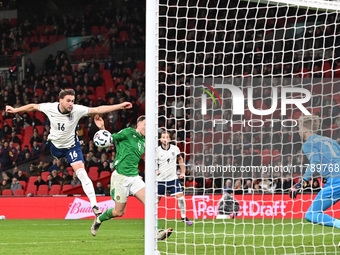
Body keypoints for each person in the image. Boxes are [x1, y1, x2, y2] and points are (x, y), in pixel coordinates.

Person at [6, 88, 132, 216]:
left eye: (72, 101)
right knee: (53, 160)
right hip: (55, 146)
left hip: (72, 146)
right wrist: (16, 110)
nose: (71, 103)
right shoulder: (50, 108)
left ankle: (94, 205)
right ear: (60, 100)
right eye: (68, 101)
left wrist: (120, 106)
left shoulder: (77, 110)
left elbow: (98, 109)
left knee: (82, 173)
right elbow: (33, 106)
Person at [290, 115, 340, 230]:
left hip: (336, 181)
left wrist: (301, 183)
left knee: (311, 214)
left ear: (305, 129)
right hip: (335, 177)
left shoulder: (309, 144)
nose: (298, 131)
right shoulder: (331, 141)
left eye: (299, 127)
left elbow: (315, 163)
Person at [156, 131, 192, 225]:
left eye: (166, 137)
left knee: (181, 198)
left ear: (169, 139)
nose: (164, 139)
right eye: (163, 137)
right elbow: (153, 162)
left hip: (172, 178)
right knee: (156, 200)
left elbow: (180, 159)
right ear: (160, 139)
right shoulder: (157, 150)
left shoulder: (175, 149)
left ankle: (183, 216)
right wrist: (156, 170)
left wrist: (183, 172)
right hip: (161, 180)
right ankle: (152, 217)